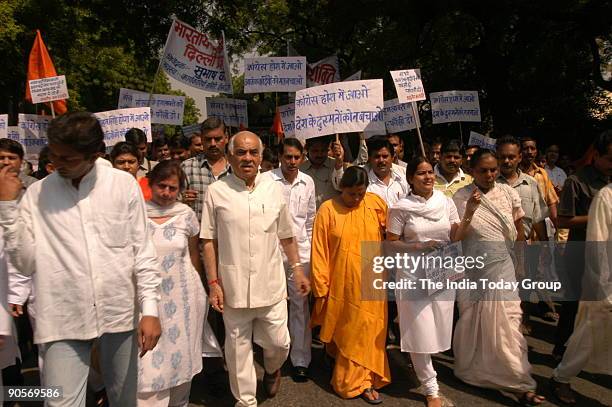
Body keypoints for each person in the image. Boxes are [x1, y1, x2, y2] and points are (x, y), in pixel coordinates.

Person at [0, 112, 162, 407]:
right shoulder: (37, 195)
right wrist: (8, 207)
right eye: (55, 156)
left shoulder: (122, 185)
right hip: (63, 318)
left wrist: (150, 308)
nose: (58, 164)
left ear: (95, 153)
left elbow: (143, 251)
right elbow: (23, 264)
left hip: (119, 314)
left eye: (68, 158)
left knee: (124, 400)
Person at [201, 131, 310, 407]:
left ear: (261, 157)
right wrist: (213, 283)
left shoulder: (273, 188)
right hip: (233, 287)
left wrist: (297, 269)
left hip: (271, 284)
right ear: (230, 156)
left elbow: (286, 235)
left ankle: (272, 369)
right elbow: (208, 241)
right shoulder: (216, 191)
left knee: (279, 343)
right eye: (240, 152)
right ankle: (245, 401)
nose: (247, 158)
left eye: (252, 153)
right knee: (237, 351)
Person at [452, 149, 545, 405]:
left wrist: (520, 261)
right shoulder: (460, 196)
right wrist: (470, 209)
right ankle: (475, 371)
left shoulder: (507, 193)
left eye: (493, 169)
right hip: (474, 270)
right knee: (475, 324)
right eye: (484, 170)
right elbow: (455, 237)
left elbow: (517, 231)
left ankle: (520, 380)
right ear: (472, 171)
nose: (490, 174)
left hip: (503, 267)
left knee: (509, 324)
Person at [387, 156, 474, 407]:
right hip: (413, 274)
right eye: (421, 173)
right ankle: (430, 387)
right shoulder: (401, 207)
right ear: (411, 179)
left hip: (442, 271)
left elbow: (456, 235)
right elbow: (391, 243)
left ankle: (427, 374)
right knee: (419, 330)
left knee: (438, 326)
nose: (428, 177)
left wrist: (469, 212)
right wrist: (418, 245)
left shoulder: (445, 202)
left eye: (429, 173)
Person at [310, 166, 390, 404]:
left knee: (368, 331)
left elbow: (392, 232)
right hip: (342, 284)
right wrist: (321, 286)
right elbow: (319, 250)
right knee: (348, 332)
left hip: (373, 279)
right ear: (341, 188)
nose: (356, 199)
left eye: (360, 194)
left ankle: (362, 381)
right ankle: (339, 362)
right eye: (351, 194)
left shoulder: (375, 204)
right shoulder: (327, 209)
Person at [138, 161, 207, 406]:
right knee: (147, 365)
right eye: (162, 186)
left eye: (172, 188)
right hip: (147, 299)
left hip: (183, 299)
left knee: (180, 359)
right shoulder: (137, 214)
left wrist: (201, 293)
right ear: (151, 183)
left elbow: (193, 255)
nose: (166, 193)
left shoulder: (185, 215)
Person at [550, 183, 612, 405]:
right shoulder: (607, 196)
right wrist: (601, 286)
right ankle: (561, 377)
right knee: (589, 332)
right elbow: (597, 243)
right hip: (606, 282)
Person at [553, 131, 612, 360]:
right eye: (609, 159)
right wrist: (600, 216)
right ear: (595, 155)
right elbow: (563, 220)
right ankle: (562, 351)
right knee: (574, 305)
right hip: (581, 253)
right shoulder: (576, 182)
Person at [264, 138, 316, 382]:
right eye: (288, 157)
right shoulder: (266, 180)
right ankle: (273, 359)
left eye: (297, 157)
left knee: (300, 307)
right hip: (273, 254)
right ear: (279, 157)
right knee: (273, 307)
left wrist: (311, 256)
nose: (292, 162)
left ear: (302, 157)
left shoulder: (308, 182)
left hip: (301, 254)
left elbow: (310, 221)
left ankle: (300, 360)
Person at [496, 136, 555, 328]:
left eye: (511, 157)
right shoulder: (489, 183)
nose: (507, 161)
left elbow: (538, 219)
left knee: (523, 293)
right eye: (503, 157)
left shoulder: (531, 184)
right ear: (497, 157)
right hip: (497, 252)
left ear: (519, 157)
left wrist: (545, 246)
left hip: (526, 249)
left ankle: (520, 330)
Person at [181, 117, 231, 222]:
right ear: (202, 140)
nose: (213, 144)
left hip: (229, 235)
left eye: (217, 139)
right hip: (196, 236)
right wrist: (181, 200)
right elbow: (171, 204)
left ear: (226, 138)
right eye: (208, 139)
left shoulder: (236, 169)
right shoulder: (187, 167)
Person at [519, 136, 559, 227]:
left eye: (532, 148)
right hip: (521, 230)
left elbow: (551, 202)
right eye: (525, 149)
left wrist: (556, 225)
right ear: (520, 152)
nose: (529, 152)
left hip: (541, 232)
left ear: (536, 152)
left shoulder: (542, 174)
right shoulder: (515, 174)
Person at [300, 135, 345, 208]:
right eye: (315, 151)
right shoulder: (300, 170)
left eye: (323, 150)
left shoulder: (336, 165)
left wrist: (339, 164)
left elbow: (341, 187)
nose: (319, 154)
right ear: (307, 150)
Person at [364, 136, 410, 207]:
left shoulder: (404, 177)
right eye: (377, 156)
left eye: (385, 156)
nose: (381, 160)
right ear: (370, 159)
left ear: (392, 157)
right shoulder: (364, 183)